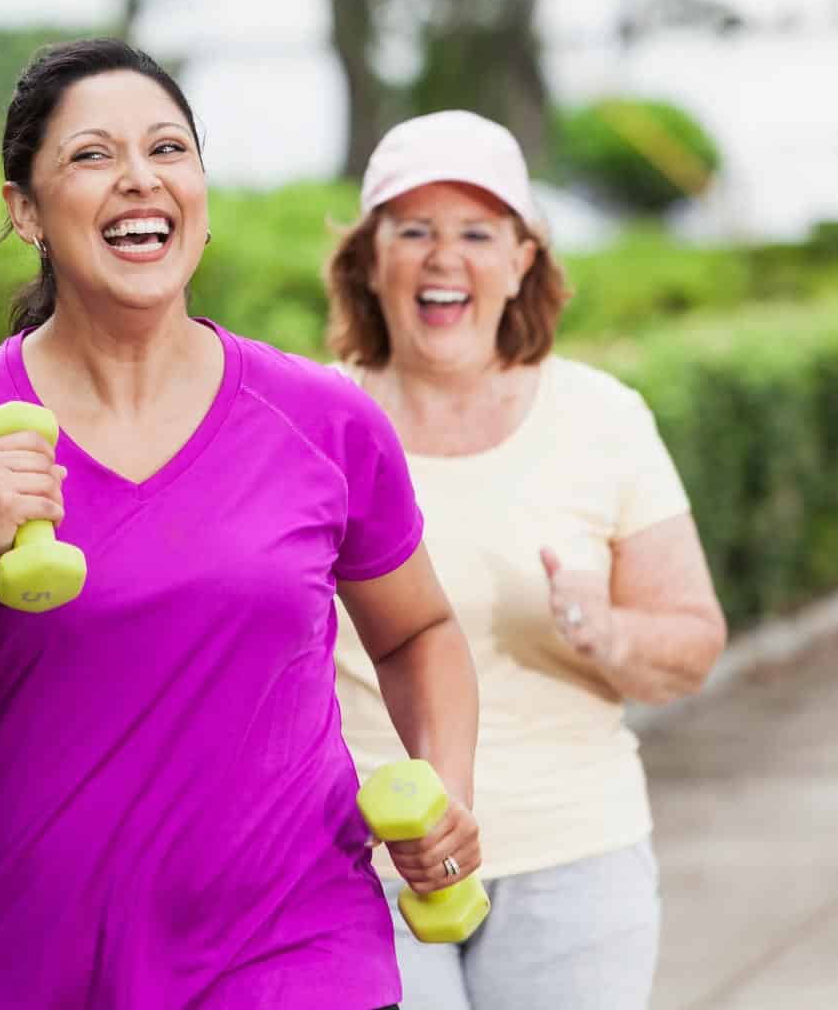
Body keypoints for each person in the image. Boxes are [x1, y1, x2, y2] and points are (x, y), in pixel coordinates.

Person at [0, 37, 481, 1010]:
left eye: (168, 149)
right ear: (24, 209)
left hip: (292, 951)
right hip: (18, 966)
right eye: (90, 155)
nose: (137, 179)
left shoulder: (322, 419)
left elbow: (418, 629)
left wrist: (443, 785)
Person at [324, 110, 728, 1009]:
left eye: (476, 232)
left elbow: (694, 643)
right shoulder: (316, 421)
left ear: (521, 261)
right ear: (368, 260)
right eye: (414, 230)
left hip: (573, 865)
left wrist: (604, 629)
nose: (444, 256)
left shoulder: (602, 418)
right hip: (360, 870)